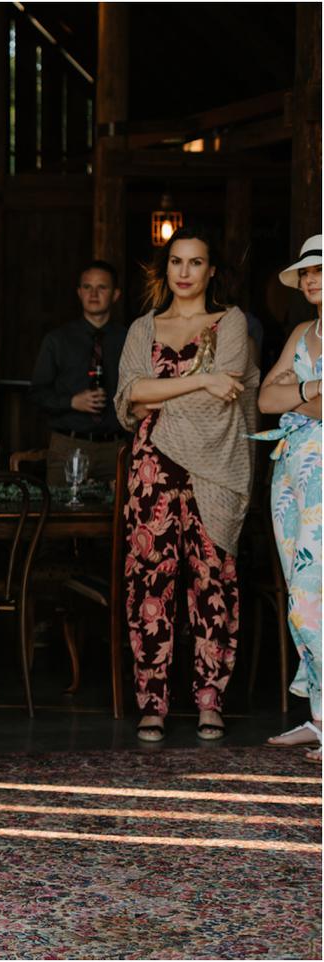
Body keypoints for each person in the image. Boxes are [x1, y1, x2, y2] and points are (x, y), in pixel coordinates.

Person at [114, 229, 258, 743]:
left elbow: (230, 388)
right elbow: (130, 396)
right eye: (176, 261)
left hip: (213, 470)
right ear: (164, 268)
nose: (184, 272)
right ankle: (152, 702)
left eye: (196, 263)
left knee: (211, 583)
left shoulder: (231, 322)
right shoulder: (142, 328)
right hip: (151, 470)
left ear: (211, 271)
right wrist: (199, 379)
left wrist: (158, 395)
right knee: (149, 583)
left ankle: (209, 699)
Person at [254, 235, 322, 762]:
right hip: (288, 478)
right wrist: (308, 394)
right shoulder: (303, 331)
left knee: (311, 595)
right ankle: (319, 717)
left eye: (319, 270)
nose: (310, 279)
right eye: (305, 273)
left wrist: (293, 396)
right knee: (296, 591)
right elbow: (265, 399)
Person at [28, 260, 129, 484]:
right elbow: (37, 394)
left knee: (120, 517)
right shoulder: (57, 340)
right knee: (60, 515)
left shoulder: (129, 339)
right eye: (87, 287)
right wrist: (71, 401)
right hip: (68, 446)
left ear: (115, 294)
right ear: (79, 292)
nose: (93, 293)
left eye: (102, 287)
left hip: (117, 448)